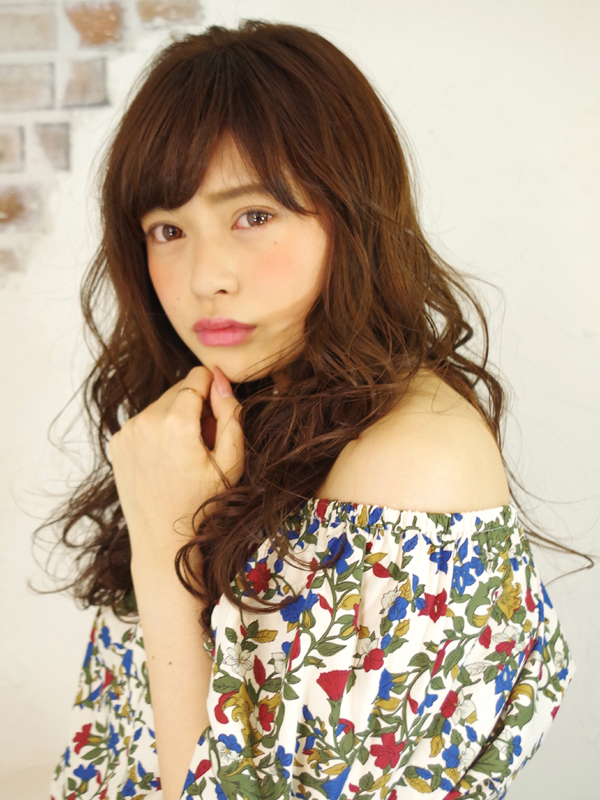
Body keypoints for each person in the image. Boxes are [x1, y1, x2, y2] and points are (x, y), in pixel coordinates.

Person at [42, 19, 579, 800]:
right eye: (168, 229)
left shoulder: (411, 468)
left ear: (352, 211)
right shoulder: (247, 416)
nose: (204, 277)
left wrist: (164, 559)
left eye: (254, 215)